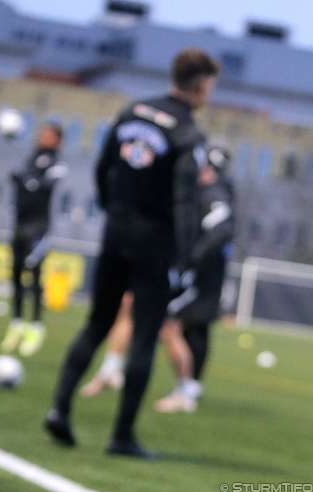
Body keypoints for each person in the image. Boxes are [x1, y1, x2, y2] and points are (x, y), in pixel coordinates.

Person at [45, 48, 219, 458]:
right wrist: (186, 253)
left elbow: (103, 168)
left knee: (96, 324)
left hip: (116, 235)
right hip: (154, 245)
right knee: (143, 338)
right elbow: (185, 200)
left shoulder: (132, 111)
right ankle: (121, 436)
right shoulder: (188, 133)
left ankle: (59, 409)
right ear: (201, 85)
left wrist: (113, 210)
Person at [155, 138, 235, 413]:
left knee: (172, 323)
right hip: (199, 272)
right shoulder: (212, 193)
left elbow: (220, 231)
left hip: (200, 275)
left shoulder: (214, 194)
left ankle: (186, 389)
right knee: (188, 325)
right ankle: (188, 387)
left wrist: (192, 259)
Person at [1, 124, 66, 357]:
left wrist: (25, 181)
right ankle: (16, 322)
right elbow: (18, 179)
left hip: (38, 228)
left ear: (57, 140)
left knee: (34, 274)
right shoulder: (30, 159)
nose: (42, 138)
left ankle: (36, 327)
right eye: (41, 133)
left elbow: (40, 187)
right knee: (16, 273)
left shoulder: (57, 163)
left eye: (48, 135)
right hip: (19, 224)